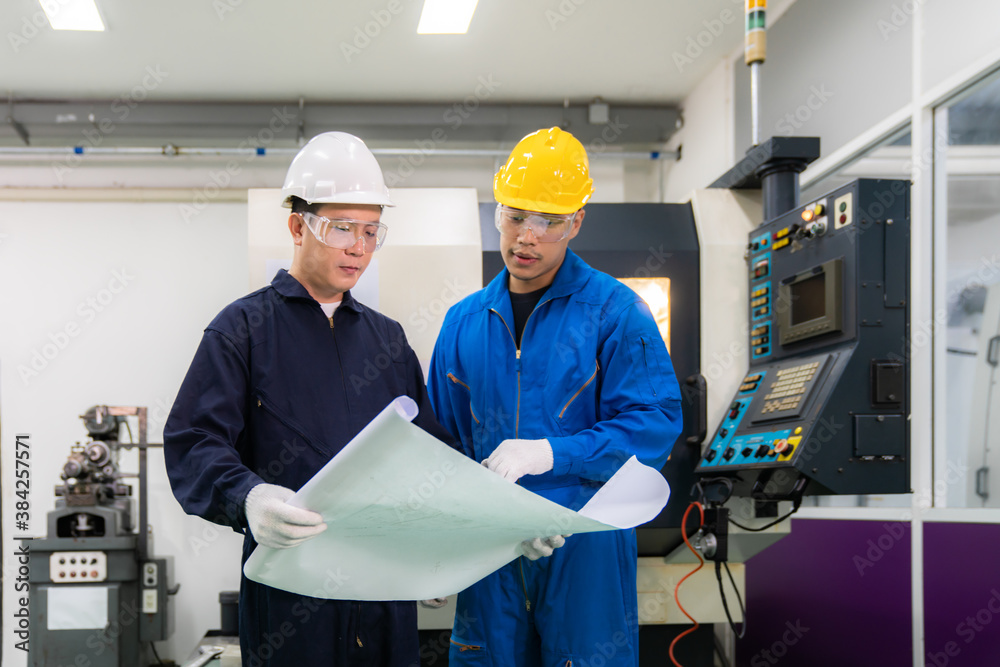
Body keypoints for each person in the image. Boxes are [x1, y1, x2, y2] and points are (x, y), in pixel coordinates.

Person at [164, 131, 452, 667]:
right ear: (297, 225)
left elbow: (429, 455)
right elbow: (193, 442)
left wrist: (449, 541)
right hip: (291, 602)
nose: (358, 247)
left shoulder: (387, 342)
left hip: (382, 593)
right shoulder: (242, 331)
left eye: (371, 231)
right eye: (341, 227)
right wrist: (248, 498)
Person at [427, 127, 683, 666]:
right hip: (490, 552)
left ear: (577, 223)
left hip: (582, 549)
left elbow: (655, 422)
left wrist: (552, 453)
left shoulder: (616, 312)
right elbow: (439, 447)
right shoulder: (462, 323)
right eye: (515, 215)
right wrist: (439, 546)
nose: (527, 236)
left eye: (548, 221)